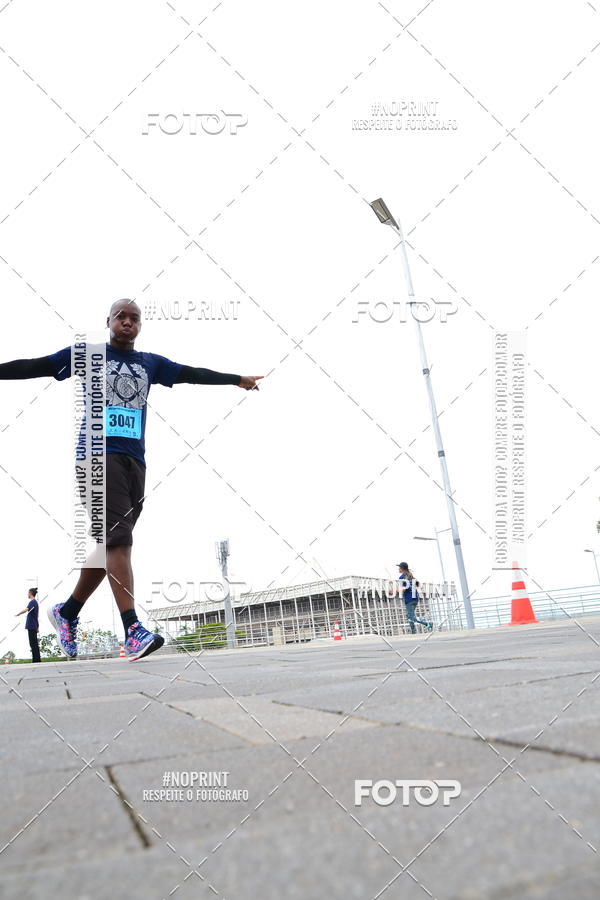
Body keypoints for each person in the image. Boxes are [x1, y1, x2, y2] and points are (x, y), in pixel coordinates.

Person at [0, 299, 263, 661]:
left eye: (134, 318)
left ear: (140, 325)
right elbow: (38, 365)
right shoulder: (89, 354)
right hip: (95, 454)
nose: (127, 322)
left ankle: (67, 612)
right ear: (108, 320)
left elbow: (191, 373)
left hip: (134, 460)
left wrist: (235, 379)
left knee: (109, 545)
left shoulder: (149, 363)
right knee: (119, 539)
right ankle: (133, 629)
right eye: (121, 317)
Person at [397, 562, 433, 634]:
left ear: (402, 569)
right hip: (415, 598)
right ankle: (413, 631)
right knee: (409, 615)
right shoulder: (411, 576)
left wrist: (395, 591)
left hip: (409, 599)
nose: (398, 569)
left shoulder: (401, 577)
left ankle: (427, 623)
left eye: (399, 567)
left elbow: (404, 589)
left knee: (411, 617)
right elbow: (419, 585)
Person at [15, 587, 41, 662]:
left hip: (31, 626)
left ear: (30, 593)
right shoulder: (34, 602)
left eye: (28, 593)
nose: (27, 594)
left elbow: (26, 609)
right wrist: (38, 626)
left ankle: (36, 660)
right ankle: (36, 659)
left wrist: (18, 613)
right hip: (33, 625)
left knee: (33, 644)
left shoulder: (32, 602)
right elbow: (36, 615)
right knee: (34, 643)